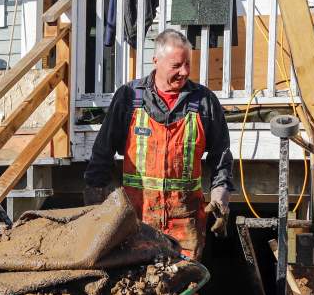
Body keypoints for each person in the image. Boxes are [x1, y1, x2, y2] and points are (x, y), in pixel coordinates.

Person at [83, 28, 232, 258]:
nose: (184, 72)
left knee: (185, 286)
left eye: (187, 65)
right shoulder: (129, 98)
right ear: (156, 61)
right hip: (137, 221)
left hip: (186, 223)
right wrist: (94, 199)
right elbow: (102, 151)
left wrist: (220, 196)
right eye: (176, 66)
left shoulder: (204, 102)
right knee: (136, 288)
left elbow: (221, 156)